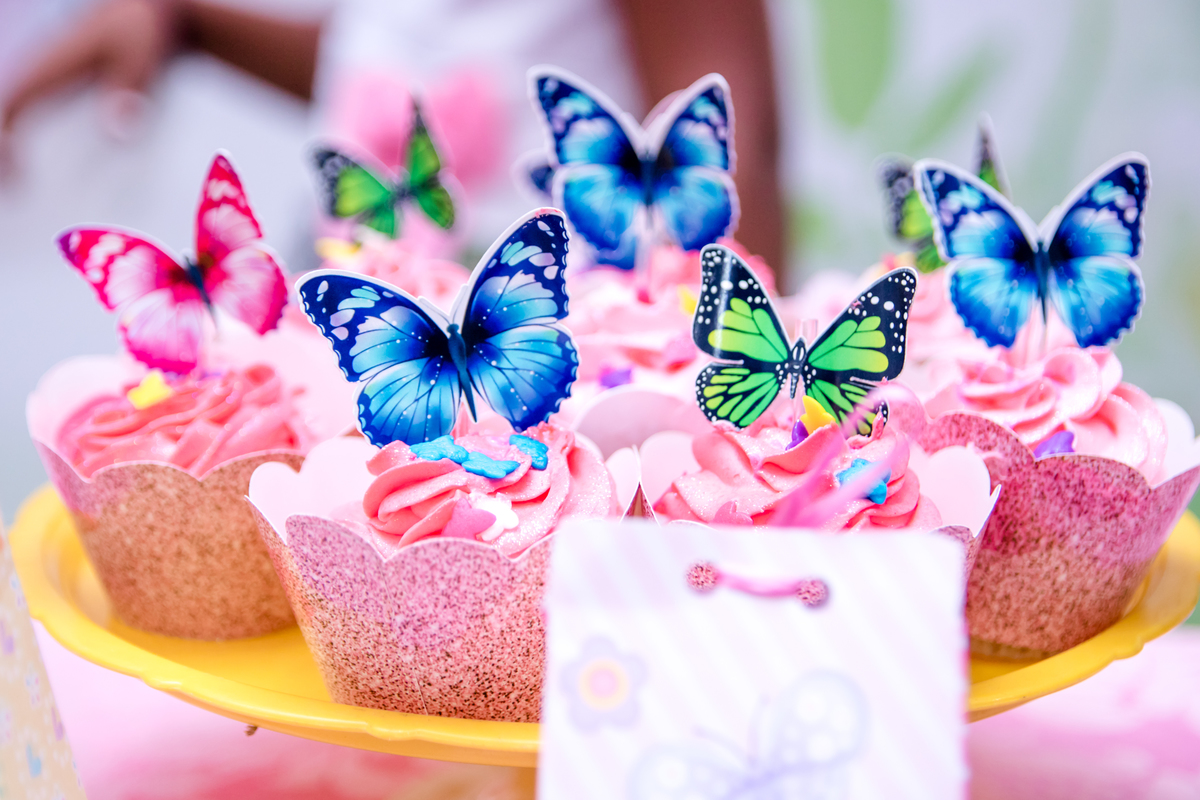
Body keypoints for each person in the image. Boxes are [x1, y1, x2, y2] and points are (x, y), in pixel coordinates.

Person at [0, 0, 785, 271]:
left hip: (543, 373)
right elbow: (389, 67)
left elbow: (721, 176)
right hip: (368, 323)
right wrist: (192, 24)